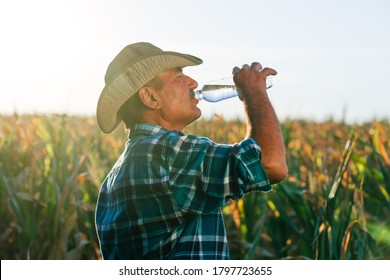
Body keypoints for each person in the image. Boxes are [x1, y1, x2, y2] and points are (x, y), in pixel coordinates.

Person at [95, 42, 287, 260]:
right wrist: (255, 94)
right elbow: (270, 164)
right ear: (150, 98)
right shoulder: (167, 152)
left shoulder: (110, 183)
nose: (193, 82)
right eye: (178, 76)